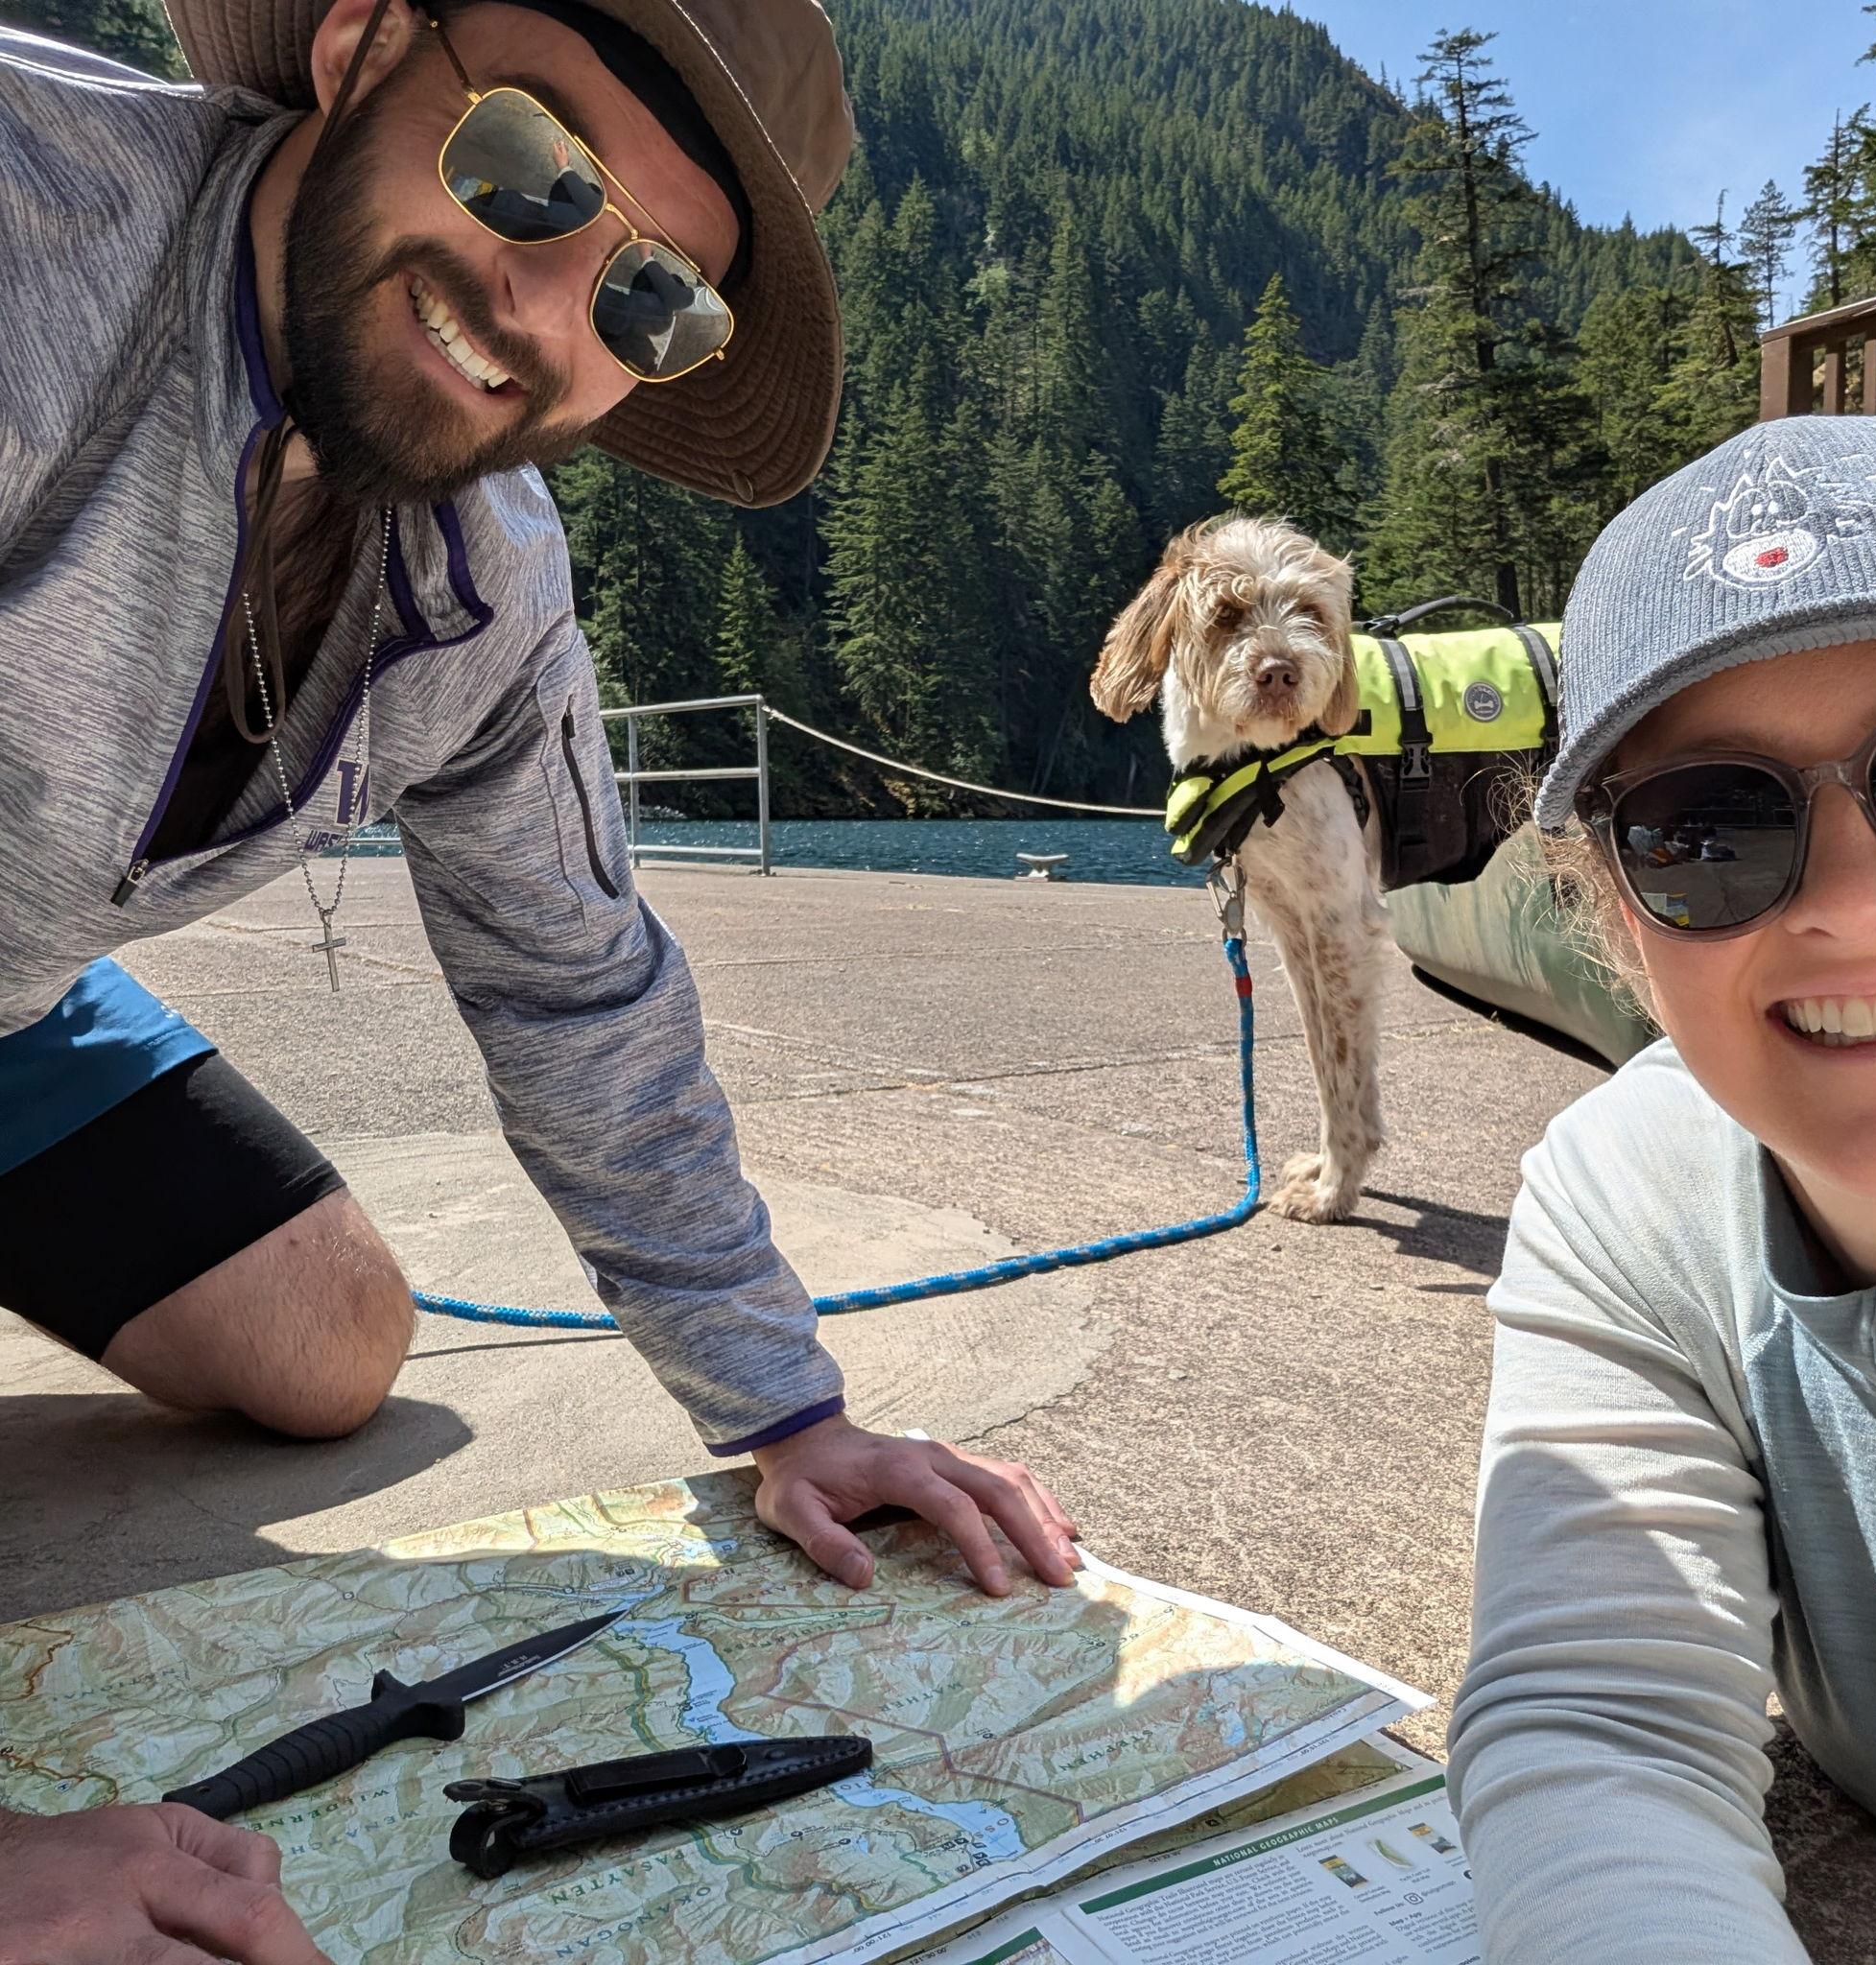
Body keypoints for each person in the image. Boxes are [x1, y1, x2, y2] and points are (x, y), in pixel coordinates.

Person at [0, 1, 1078, 1953]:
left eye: (652, 295)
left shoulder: (485, 580)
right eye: (526, 161)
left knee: (333, 1348)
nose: (540, 302)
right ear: (353, 45)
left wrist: (783, 1410)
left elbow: (581, 986)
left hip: (16, 1003)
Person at [1447, 413, 1876, 1961]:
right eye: (1713, 830)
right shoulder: (1635, 1195)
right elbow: (1605, 1726)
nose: (1859, 906)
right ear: (1616, 918)